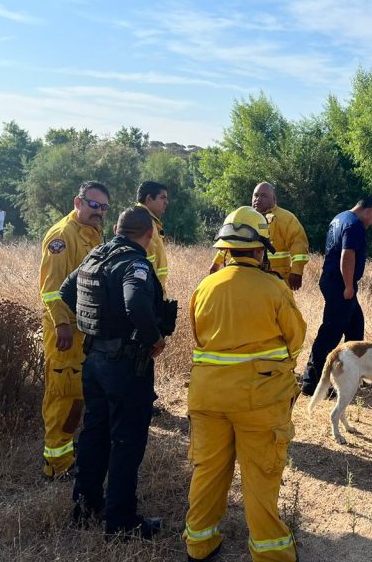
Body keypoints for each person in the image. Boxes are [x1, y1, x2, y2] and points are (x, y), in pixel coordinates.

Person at [184, 207, 306, 562]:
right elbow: (294, 341)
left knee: (208, 471)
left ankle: (199, 544)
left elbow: (200, 339)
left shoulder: (204, 287)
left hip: (207, 398)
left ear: (225, 249)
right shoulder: (274, 288)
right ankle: (271, 553)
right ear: (260, 250)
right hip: (260, 401)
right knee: (260, 477)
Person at [60, 206, 175, 539]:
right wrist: (154, 338)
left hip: (94, 360)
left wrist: (96, 325)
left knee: (95, 433)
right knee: (127, 440)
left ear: (116, 228)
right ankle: (121, 522)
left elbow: (68, 292)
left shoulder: (96, 256)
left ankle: (85, 508)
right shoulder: (135, 262)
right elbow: (136, 303)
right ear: (149, 234)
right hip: (125, 366)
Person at [37, 180, 110, 479]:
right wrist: (62, 324)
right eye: (94, 205)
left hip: (85, 330)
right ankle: (55, 463)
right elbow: (51, 288)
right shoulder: (61, 237)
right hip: (64, 332)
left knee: (78, 393)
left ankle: (67, 451)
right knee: (62, 395)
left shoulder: (92, 233)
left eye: (104, 207)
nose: (99, 212)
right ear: (77, 202)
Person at [300, 197, 372, 397]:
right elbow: (347, 255)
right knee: (330, 333)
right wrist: (348, 286)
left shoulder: (340, 218)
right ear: (370, 211)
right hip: (340, 284)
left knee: (355, 327)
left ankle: (350, 377)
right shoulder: (354, 225)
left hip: (333, 281)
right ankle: (313, 383)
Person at [209, 182, 310, 291]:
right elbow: (233, 242)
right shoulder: (244, 218)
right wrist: (216, 262)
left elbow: (298, 244)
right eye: (256, 195)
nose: (258, 199)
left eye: (264, 196)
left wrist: (297, 271)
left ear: (274, 199)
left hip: (278, 278)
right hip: (248, 276)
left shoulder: (286, 218)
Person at [136, 181, 170, 291]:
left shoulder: (148, 220)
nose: (166, 202)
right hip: (149, 290)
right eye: (162, 198)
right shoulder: (142, 221)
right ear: (149, 198)